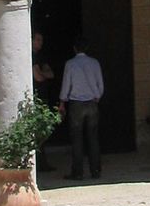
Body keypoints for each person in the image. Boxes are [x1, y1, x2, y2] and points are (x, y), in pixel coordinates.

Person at [59, 36, 104, 179]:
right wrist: (98, 96)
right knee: (93, 137)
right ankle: (95, 170)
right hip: (92, 102)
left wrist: (62, 101)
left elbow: (67, 83)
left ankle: (77, 172)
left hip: (76, 104)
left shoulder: (70, 64)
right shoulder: (94, 63)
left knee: (77, 139)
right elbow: (100, 83)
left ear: (74, 48)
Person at [32, 30, 56, 169]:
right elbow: (39, 77)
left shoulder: (41, 57)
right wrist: (42, 73)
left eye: (41, 40)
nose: (40, 42)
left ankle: (42, 162)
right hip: (35, 98)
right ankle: (38, 163)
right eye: (38, 39)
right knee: (37, 132)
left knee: (43, 131)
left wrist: (41, 72)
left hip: (43, 97)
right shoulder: (31, 56)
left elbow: (50, 74)